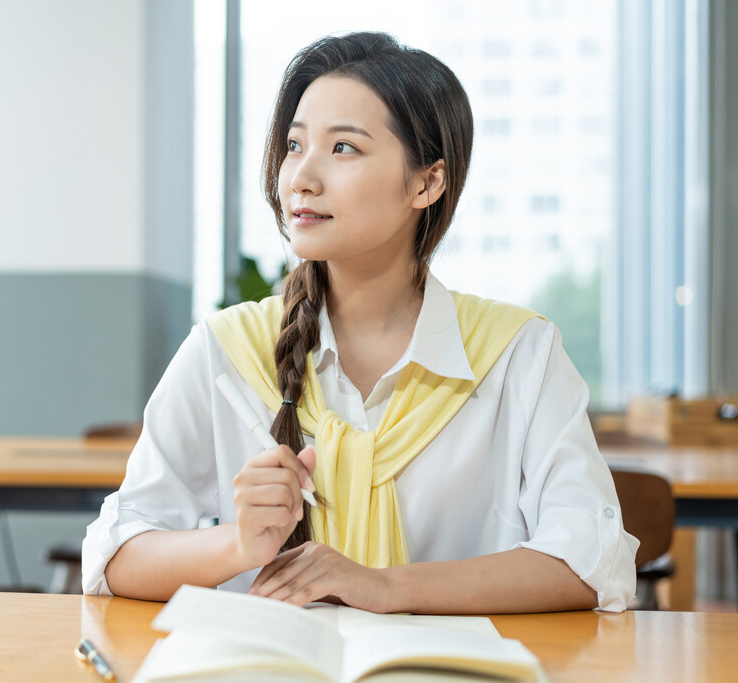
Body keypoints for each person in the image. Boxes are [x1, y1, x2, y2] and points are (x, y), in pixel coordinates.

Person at [82, 32, 638, 613]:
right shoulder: (227, 350)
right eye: (295, 145)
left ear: (427, 182)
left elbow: (591, 561)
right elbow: (117, 553)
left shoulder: (518, 353)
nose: (302, 176)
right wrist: (236, 545)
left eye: (343, 148)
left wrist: (383, 586)